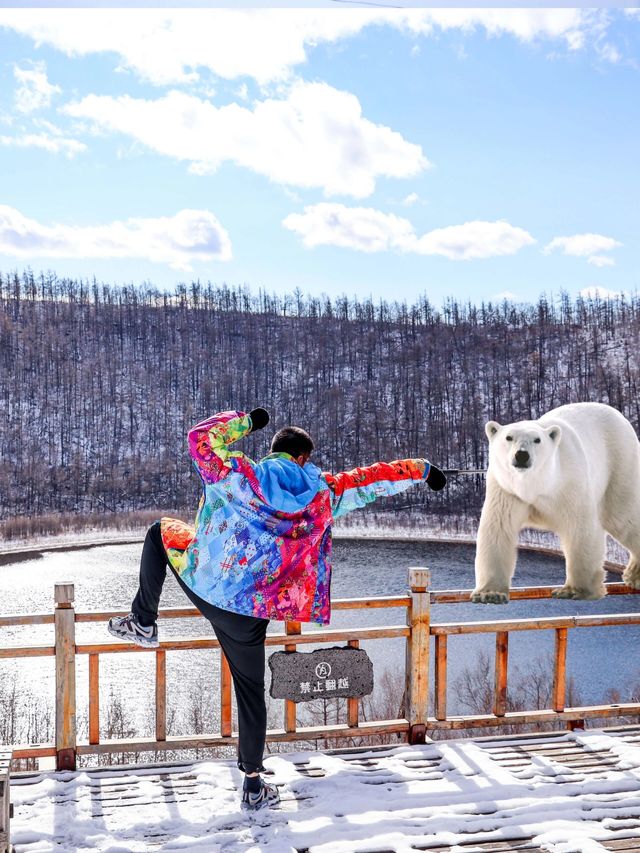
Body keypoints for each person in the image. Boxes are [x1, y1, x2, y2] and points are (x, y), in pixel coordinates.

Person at [108, 408, 446, 810]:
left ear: (274, 452)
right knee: (250, 693)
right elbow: (372, 480)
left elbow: (199, 437)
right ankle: (252, 783)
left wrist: (246, 421)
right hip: (250, 613)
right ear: (302, 457)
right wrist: (423, 470)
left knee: (159, 531)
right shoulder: (323, 493)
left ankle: (144, 621)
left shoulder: (240, 474)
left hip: (205, 583)